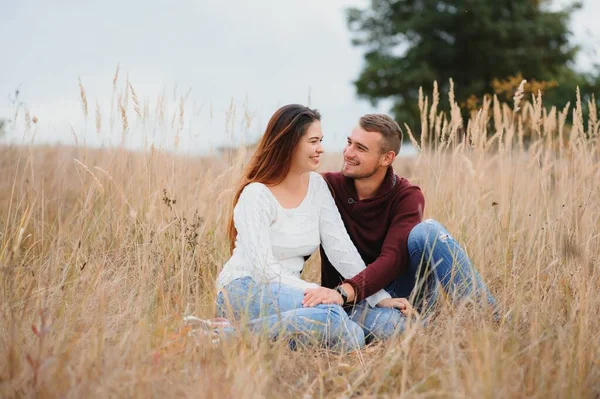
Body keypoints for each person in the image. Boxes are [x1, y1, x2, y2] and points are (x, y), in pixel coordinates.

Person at [186, 105, 411, 351]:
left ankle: (234, 332)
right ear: (291, 144)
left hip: (291, 294)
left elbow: (341, 250)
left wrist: (380, 298)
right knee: (341, 327)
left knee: (391, 324)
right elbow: (266, 272)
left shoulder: (317, 186)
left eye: (321, 140)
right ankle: (222, 337)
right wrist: (322, 292)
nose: (321, 148)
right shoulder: (256, 195)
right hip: (245, 291)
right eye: (313, 141)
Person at [302, 114, 498, 342]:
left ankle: (491, 321)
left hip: (400, 294)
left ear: (387, 158)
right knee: (393, 328)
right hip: (352, 303)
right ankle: (422, 332)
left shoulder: (407, 195)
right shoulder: (327, 188)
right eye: (349, 143)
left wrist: (345, 291)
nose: (348, 153)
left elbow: (393, 257)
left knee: (428, 231)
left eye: (361, 148)